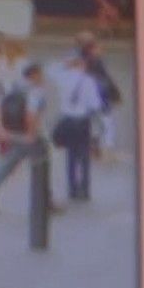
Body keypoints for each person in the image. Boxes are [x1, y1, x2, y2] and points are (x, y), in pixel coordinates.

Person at [0, 62, 53, 215]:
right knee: (41, 165)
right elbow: (31, 115)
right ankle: (44, 201)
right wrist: (30, 135)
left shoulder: (13, 88)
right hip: (29, 136)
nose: (42, 78)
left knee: (6, 166)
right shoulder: (35, 92)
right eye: (40, 74)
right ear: (34, 74)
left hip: (13, 132)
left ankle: (46, 199)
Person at [52, 53, 102, 202]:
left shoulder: (62, 79)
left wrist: (65, 64)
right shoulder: (88, 81)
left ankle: (72, 189)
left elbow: (52, 69)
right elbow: (95, 104)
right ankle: (85, 189)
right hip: (82, 121)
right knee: (84, 156)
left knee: (71, 156)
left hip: (68, 120)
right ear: (82, 65)